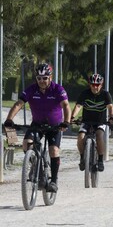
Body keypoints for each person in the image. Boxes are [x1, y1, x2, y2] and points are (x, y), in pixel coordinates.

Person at [4, 63, 71, 192]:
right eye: (39, 78)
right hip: (37, 124)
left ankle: (54, 180)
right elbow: (19, 104)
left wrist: (66, 122)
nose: (42, 81)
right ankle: (36, 168)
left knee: (54, 151)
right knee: (26, 144)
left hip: (55, 126)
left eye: (45, 78)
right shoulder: (32, 89)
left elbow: (66, 105)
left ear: (50, 78)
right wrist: (9, 119)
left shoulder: (58, 89)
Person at [70, 74, 113, 172]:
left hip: (100, 121)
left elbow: (110, 107)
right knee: (80, 137)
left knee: (99, 135)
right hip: (86, 121)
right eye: (93, 84)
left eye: (97, 85)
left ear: (101, 84)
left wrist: (111, 117)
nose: (95, 87)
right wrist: (72, 117)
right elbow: (78, 106)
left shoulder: (105, 94)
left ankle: (100, 160)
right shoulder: (84, 94)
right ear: (89, 84)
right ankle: (82, 158)